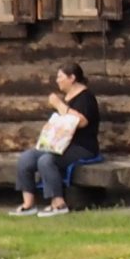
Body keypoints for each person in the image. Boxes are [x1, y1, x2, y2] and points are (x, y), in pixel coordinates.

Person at [11, 63, 101, 217]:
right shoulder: (65, 98)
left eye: (60, 77)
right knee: (27, 158)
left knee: (47, 160)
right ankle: (28, 204)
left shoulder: (86, 98)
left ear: (72, 78)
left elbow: (81, 122)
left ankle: (58, 204)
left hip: (82, 147)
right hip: (59, 145)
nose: (57, 81)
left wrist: (59, 105)